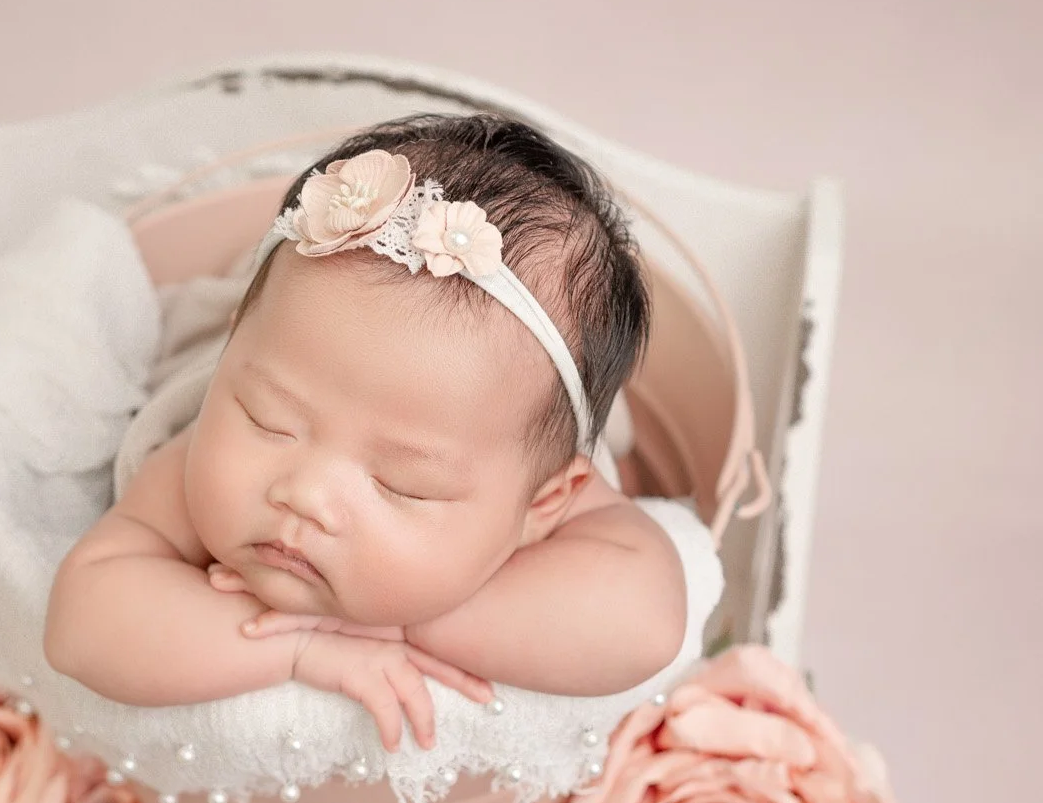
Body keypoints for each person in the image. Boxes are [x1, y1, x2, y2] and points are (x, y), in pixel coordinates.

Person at [45, 114, 687, 753]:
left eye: (402, 485)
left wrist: (406, 621)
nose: (305, 495)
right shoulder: (196, 453)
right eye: (270, 422)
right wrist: (302, 644)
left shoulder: (531, 475)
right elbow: (82, 625)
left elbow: (645, 624)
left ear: (544, 504)